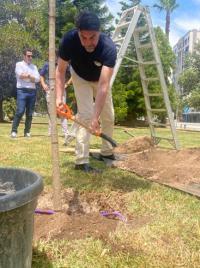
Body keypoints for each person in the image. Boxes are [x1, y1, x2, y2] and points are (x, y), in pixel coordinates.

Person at [56, 11, 117, 172]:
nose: (88, 42)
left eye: (93, 37)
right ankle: (81, 161)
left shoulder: (108, 48)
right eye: (84, 37)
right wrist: (58, 98)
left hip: (99, 81)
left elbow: (104, 86)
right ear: (78, 33)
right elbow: (60, 71)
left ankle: (106, 153)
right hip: (80, 77)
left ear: (99, 32)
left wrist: (97, 118)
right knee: (86, 115)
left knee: (108, 116)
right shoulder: (69, 40)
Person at [11, 48, 40, 138]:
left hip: (32, 91)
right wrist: (31, 77)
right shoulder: (19, 64)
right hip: (22, 90)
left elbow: (38, 79)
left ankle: (27, 131)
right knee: (20, 111)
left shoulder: (34, 67)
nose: (30, 57)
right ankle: (14, 131)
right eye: (28, 56)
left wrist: (28, 76)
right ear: (24, 56)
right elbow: (20, 75)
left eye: (31, 56)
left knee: (30, 113)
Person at [40, 53, 68, 138]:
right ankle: (51, 132)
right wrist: (44, 85)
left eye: (53, 55)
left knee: (62, 111)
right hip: (50, 90)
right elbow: (41, 75)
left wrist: (67, 84)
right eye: (49, 55)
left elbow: (72, 75)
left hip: (61, 90)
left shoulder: (62, 64)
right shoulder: (46, 65)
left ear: (57, 56)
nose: (51, 57)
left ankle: (66, 133)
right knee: (51, 112)